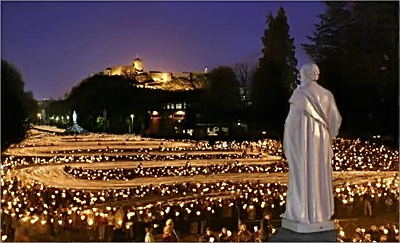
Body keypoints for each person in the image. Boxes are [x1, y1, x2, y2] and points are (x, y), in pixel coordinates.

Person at [281, 63, 342, 224]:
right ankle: (320, 212)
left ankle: (303, 212)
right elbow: (336, 120)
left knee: (303, 173)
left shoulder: (300, 94)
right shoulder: (327, 95)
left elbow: (291, 122)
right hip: (321, 141)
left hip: (304, 141)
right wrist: (328, 137)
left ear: (306, 75)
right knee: (320, 174)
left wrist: (289, 141)